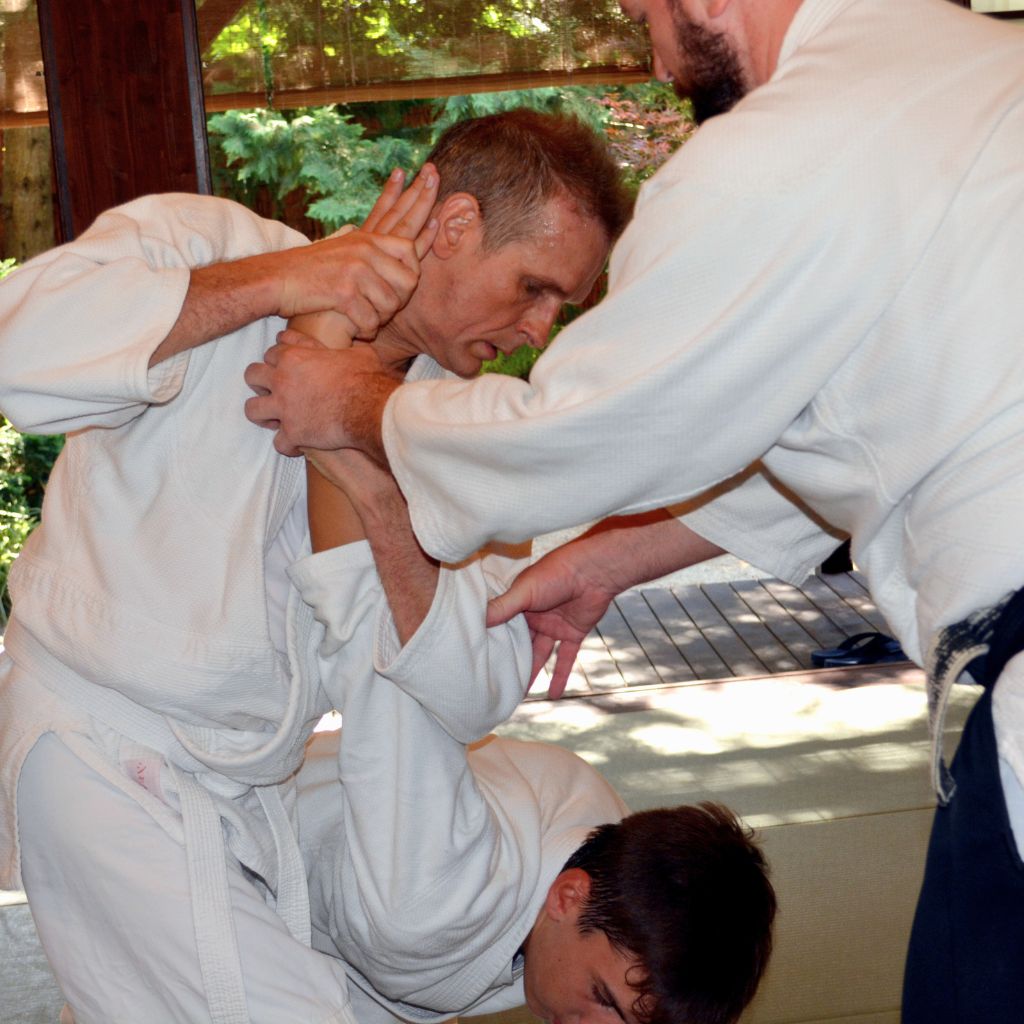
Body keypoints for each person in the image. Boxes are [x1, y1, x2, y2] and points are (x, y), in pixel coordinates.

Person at [242, 2, 1024, 1020]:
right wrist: (619, 557)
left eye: (645, 11)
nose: (654, 55)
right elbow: (871, 430)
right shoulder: (977, 65)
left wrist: (346, 400)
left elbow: (574, 431)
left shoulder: (788, 141)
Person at [0, 110, 629, 1023]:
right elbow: (17, 351)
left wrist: (369, 468)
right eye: (534, 288)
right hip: (98, 741)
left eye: (559, 308)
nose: (538, 327)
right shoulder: (217, 243)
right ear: (453, 227)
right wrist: (282, 282)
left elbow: (476, 688)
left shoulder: (475, 429)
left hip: (247, 791)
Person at [289, 445, 775, 1024]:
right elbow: (365, 618)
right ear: (568, 896)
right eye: (604, 1002)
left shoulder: (604, 841)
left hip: (359, 913)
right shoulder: (424, 909)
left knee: (478, 648)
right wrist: (328, 427)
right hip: (225, 843)